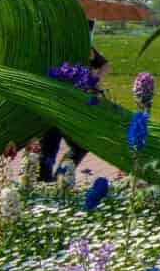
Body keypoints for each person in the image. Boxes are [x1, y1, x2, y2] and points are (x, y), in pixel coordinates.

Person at [35, 47, 109, 181]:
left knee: (80, 146)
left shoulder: (80, 46)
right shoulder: (48, 46)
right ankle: (47, 184)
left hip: (72, 108)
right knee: (48, 150)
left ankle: (59, 179)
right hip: (51, 105)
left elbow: (104, 65)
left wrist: (93, 81)